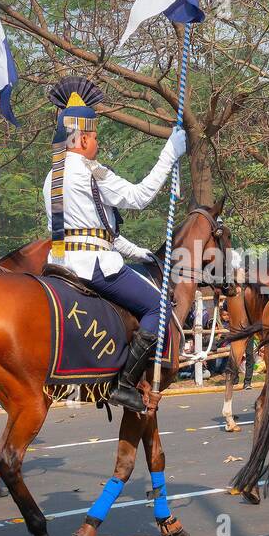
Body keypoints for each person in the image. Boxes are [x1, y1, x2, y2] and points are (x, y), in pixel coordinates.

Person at [40, 75, 186, 413]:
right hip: (94, 267)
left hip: (60, 264)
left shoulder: (52, 176)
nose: (97, 144)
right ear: (83, 138)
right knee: (158, 308)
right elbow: (139, 197)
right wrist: (169, 154)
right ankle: (123, 383)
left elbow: (97, 229)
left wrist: (137, 252)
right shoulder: (93, 171)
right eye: (94, 137)